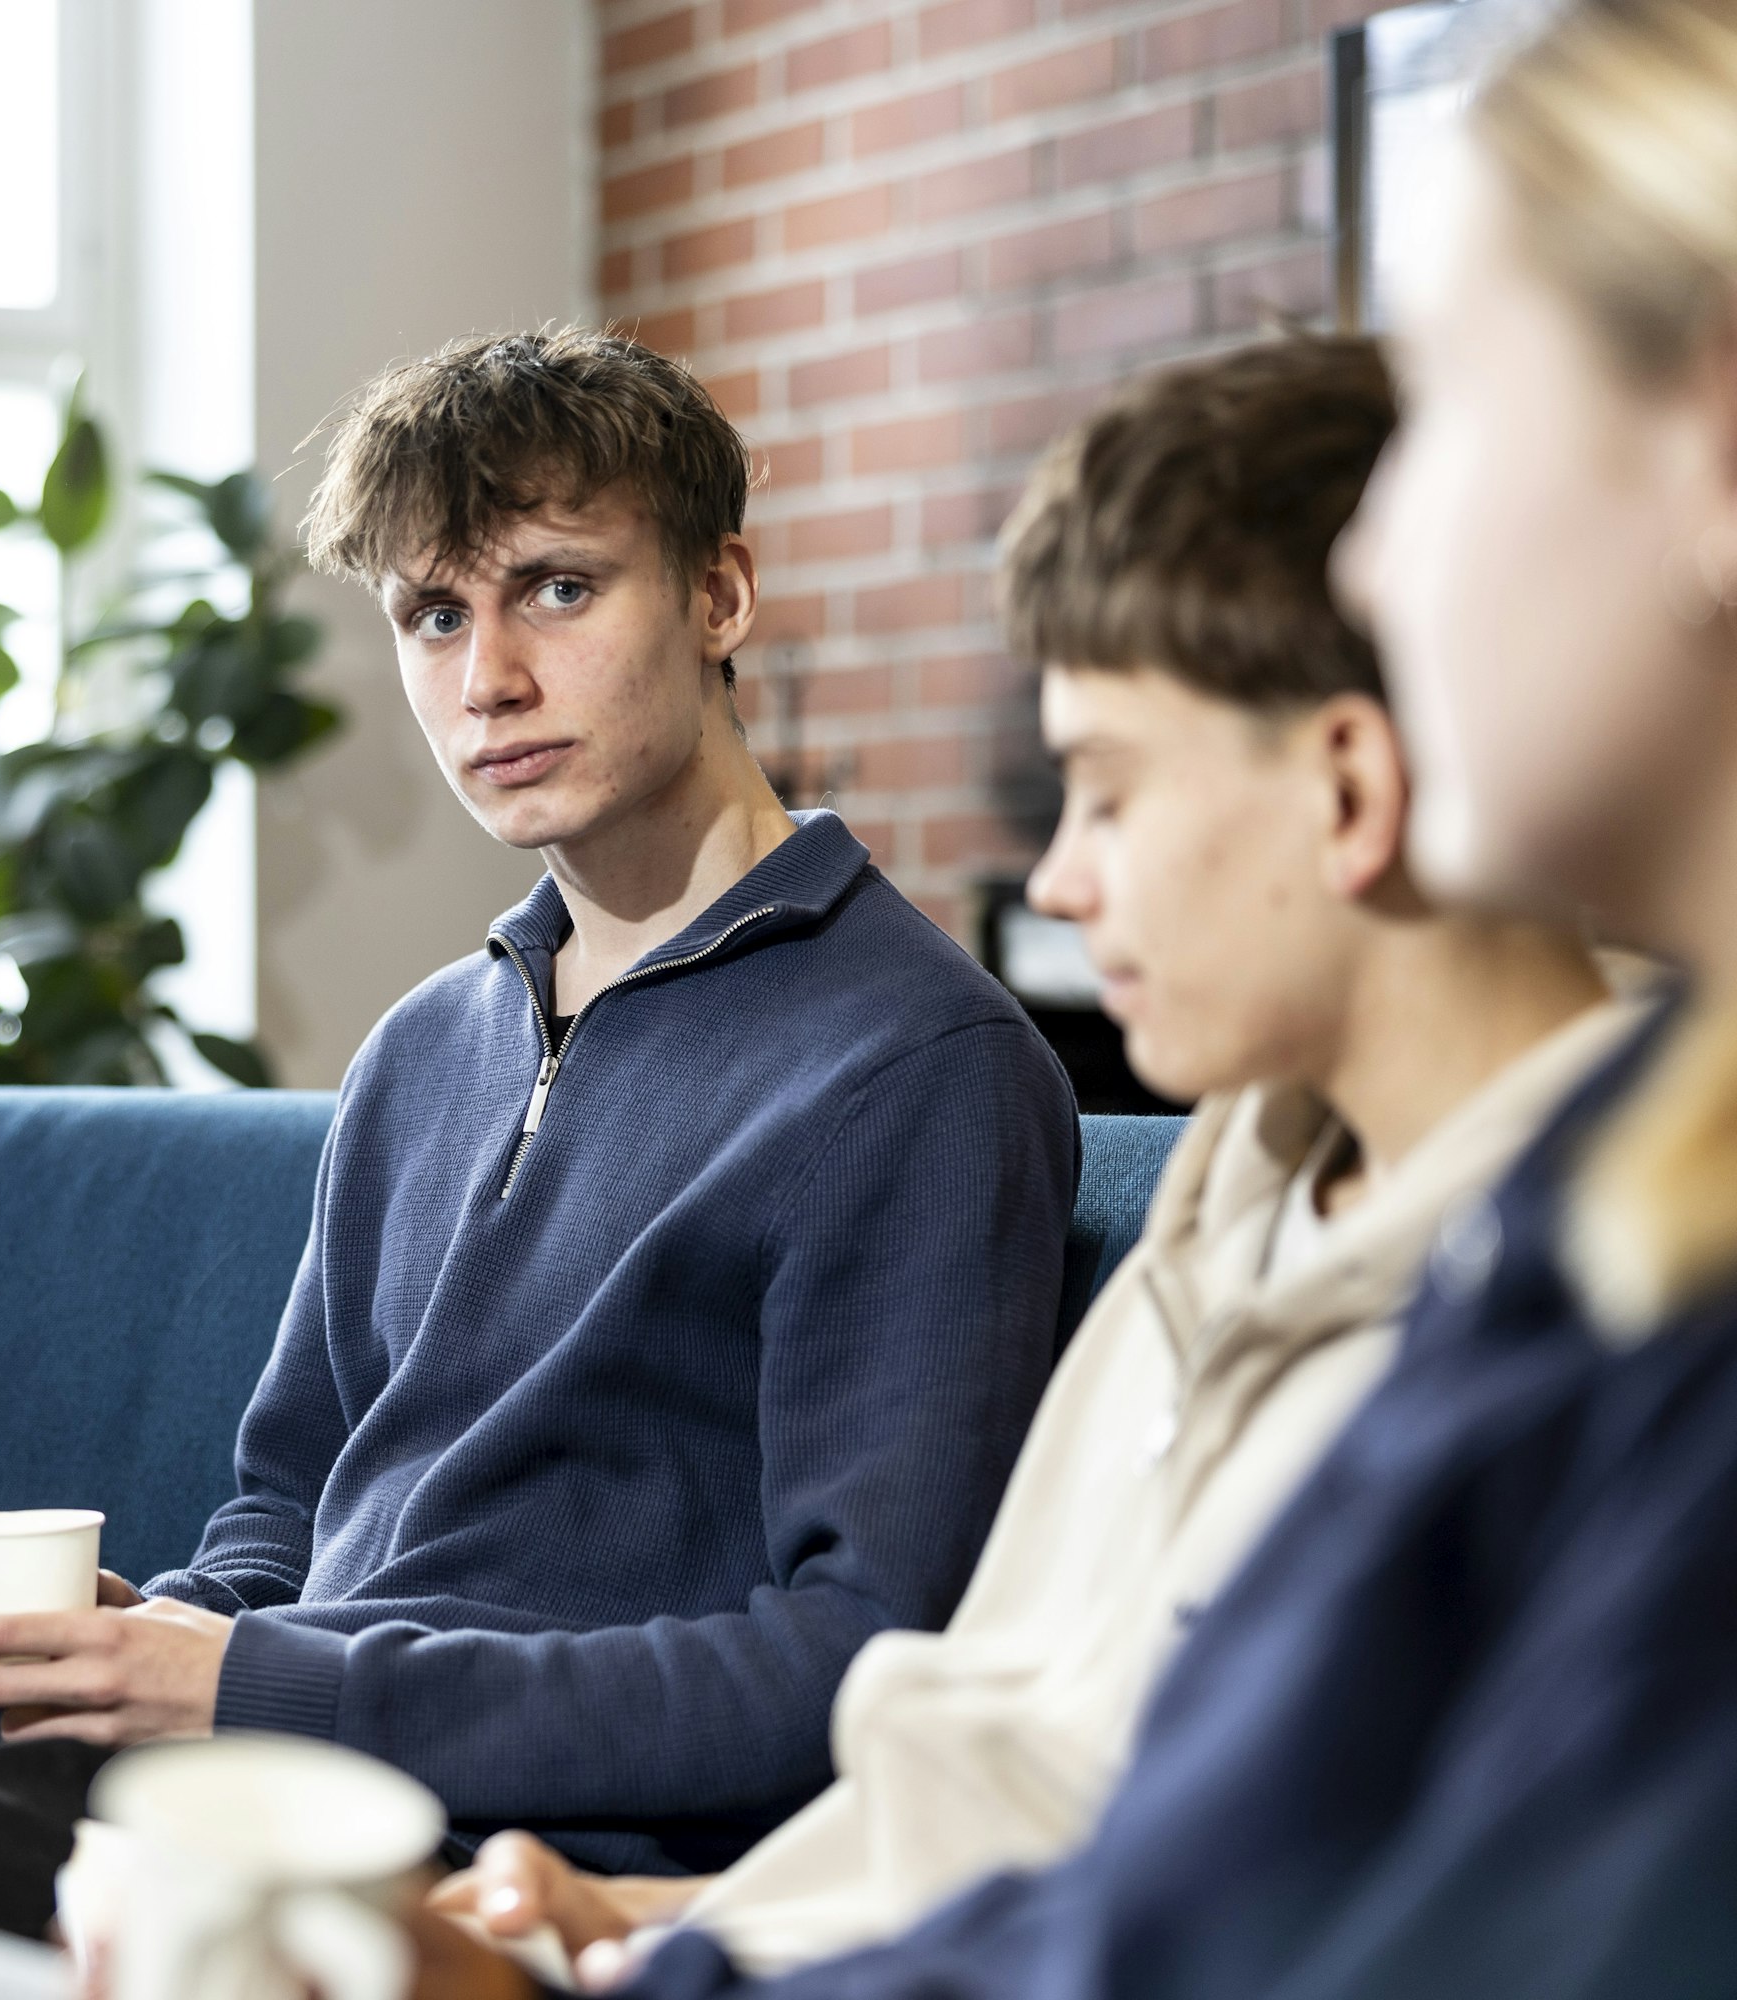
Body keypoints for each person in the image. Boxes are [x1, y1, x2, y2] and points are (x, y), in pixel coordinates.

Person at [396, 3, 1737, 1994]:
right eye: (435, 612)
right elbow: (1042, 1822)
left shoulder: (1590, 1303)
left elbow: (1182, 1915)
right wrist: (648, 1945)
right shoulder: (1358, 1205)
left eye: (1449, 403)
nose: (1381, 537)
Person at [0, 330, 1080, 1937]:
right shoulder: (428, 1045)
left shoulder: (913, 1062)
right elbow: (284, 1510)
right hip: (240, 1807)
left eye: (559, 590)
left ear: (719, 595)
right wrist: (156, 1641)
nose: (487, 678)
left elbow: (853, 1665)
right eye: (435, 615)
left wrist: (259, 1683)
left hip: (503, 1867)